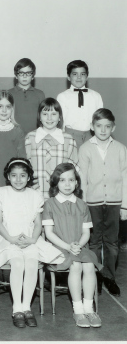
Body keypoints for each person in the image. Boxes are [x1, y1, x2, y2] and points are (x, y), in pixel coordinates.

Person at [0, 158, 64, 328]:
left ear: (29, 177)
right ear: (8, 176)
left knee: (31, 262)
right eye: (14, 175)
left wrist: (32, 239)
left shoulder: (35, 195)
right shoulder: (1, 193)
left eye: (23, 175)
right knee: (17, 262)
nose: (18, 179)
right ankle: (17, 308)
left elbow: (38, 223)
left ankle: (26, 307)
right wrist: (11, 239)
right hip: (7, 237)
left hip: (31, 237)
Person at [43, 163, 102, 328]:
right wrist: (68, 247)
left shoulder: (82, 205)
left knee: (89, 264)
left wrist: (77, 245)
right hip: (58, 247)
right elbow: (49, 233)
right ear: (56, 183)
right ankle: (78, 310)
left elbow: (86, 233)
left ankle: (89, 308)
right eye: (62, 180)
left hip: (79, 246)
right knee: (76, 265)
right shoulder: (50, 204)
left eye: (71, 180)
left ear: (77, 183)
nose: (67, 184)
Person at [78, 108, 127, 296]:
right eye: (99, 126)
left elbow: (125, 177)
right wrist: (82, 203)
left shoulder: (121, 149)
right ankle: (95, 276)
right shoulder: (85, 148)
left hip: (115, 202)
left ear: (113, 127)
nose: (103, 130)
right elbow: (81, 178)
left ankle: (109, 277)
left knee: (112, 243)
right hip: (92, 203)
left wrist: (124, 205)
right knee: (94, 241)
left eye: (107, 126)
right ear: (92, 127)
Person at [25, 98, 78, 199]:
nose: (49, 118)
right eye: (45, 114)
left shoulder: (68, 139)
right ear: (39, 117)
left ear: (59, 117)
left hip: (61, 196)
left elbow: (74, 170)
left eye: (54, 114)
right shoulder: (30, 138)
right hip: (35, 194)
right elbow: (26, 167)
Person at [57, 60, 103, 149]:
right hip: (70, 135)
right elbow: (60, 120)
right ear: (68, 77)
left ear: (87, 76)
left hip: (91, 135)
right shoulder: (62, 96)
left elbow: (100, 119)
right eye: (74, 74)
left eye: (82, 74)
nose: (79, 77)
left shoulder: (96, 96)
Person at [8, 58, 45, 134]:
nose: (24, 76)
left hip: (35, 135)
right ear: (16, 75)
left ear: (33, 76)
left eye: (28, 73)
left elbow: (43, 117)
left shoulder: (40, 94)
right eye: (21, 73)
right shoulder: (8, 94)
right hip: (13, 135)